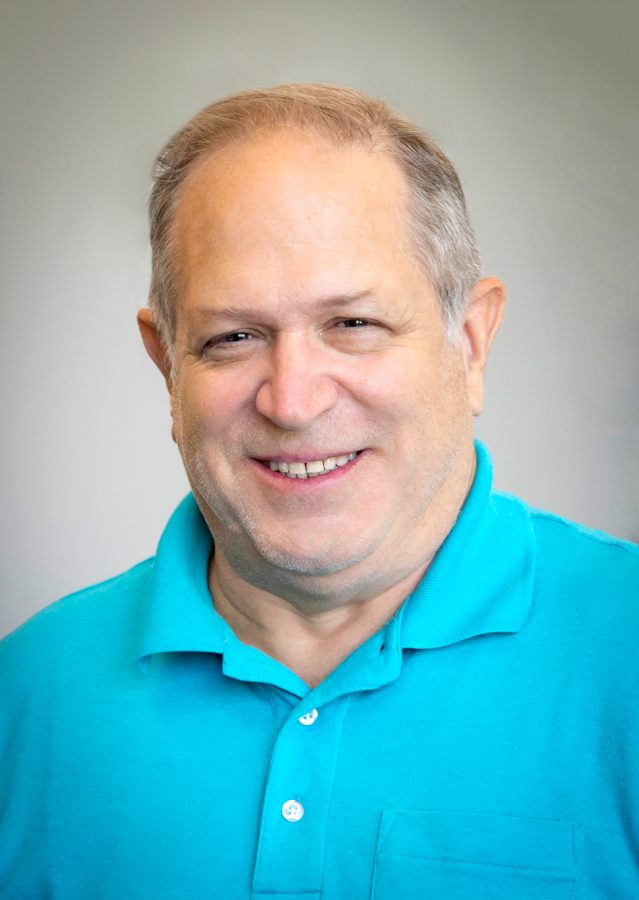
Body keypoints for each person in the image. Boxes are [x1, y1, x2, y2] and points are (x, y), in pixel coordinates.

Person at [1, 84, 638, 900]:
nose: (292, 401)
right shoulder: (23, 698)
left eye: (353, 325)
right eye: (233, 337)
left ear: (470, 344)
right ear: (167, 367)